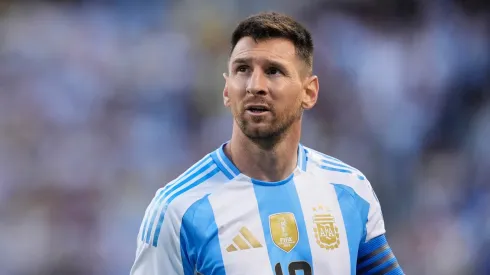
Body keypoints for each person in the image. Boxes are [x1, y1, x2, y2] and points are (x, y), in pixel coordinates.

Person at [130, 12, 404, 275]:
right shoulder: (178, 210)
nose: (254, 85)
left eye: (273, 71)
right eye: (242, 70)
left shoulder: (350, 190)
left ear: (309, 92)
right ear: (227, 91)